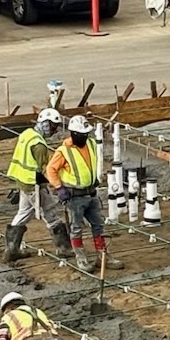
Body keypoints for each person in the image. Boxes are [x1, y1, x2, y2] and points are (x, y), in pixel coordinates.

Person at [45, 116, 121, 272]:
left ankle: (103, 255)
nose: (85, 137)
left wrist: (94, 179)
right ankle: (81, 258)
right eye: (82, 134)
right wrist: (59, 188)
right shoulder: (64, 151)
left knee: (98, 226)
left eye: (86, 133)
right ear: (73, 133)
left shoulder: (91, 144)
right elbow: (50, 169)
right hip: (74, 197)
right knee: (76, 228)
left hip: (91, 194)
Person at [5, 108, 69, 261]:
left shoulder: (28, 134)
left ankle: (12, 249)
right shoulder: (39, 145)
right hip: (33, 184)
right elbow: (45, 169)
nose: (54, 130)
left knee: (23, 213)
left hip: (23, 182)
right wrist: (59, 186)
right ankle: (64, 248)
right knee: (51, 213)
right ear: (46, 123)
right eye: (53, 126)